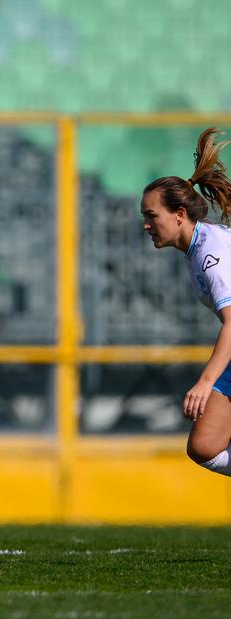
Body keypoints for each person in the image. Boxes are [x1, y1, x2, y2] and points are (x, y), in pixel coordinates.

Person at [141, 127, 231, 475]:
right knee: (205, 446)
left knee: (206, 445)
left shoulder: (210, 253)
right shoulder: (198, 249)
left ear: (179, 214)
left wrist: (205, 382)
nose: (146, 225)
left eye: (152, 215)